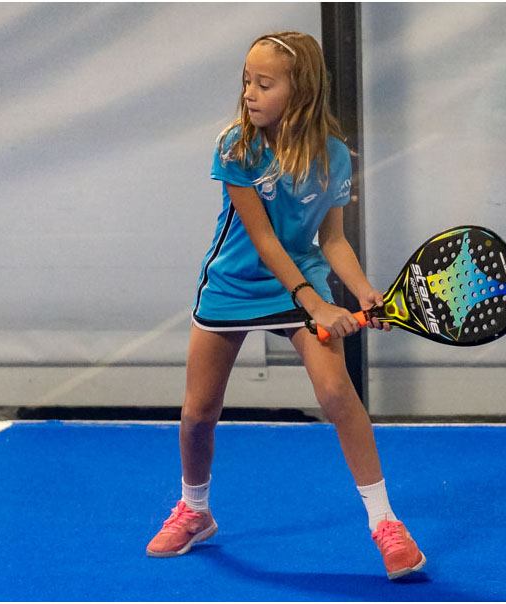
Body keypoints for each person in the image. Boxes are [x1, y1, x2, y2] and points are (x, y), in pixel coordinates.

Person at [146, 31, 426, 580]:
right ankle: (195, 510)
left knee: (336, 393)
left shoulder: (335, 156)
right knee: (198, 413)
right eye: (246, 81)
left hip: (301, 279)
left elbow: (333, 239)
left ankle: (385, 523)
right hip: (234, 284)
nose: (249, 93)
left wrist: (363, 291)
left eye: (264, 83)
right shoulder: (236, 146)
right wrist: (316, 306)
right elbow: (265, 239)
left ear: (301, 91)